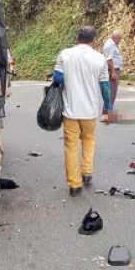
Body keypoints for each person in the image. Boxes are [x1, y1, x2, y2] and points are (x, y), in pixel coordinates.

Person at [54, 26, 112, 197]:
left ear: (77, 37)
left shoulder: (65, 54)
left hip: (70, 111)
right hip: (90, 112)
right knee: (89, 140)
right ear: (93, 40)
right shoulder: (100, 58)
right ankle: (86, 172)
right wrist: (108, 108)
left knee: (71, 146)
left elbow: (57, 79)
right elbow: (105, 86)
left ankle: (74, 184)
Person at [103, 29, 124, 109]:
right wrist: (113, 72)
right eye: (120, 39)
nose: (120, 41)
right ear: (116, 37)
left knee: (112, 92)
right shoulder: (110, 45)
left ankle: (108, 111)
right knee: (111, 92)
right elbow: (109, 59)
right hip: (112, 70)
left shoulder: (113, 44)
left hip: (114, 70)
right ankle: (107, 112)